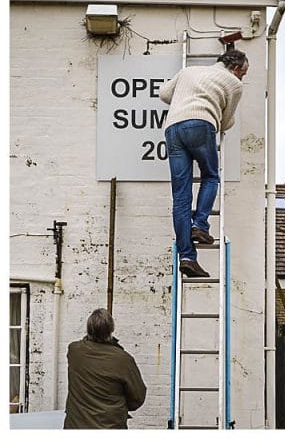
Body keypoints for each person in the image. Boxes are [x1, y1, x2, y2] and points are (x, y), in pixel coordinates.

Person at [160, 49, 248, 277]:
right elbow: (226, 121)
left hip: (173, 128)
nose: (242, 78)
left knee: (180, 196)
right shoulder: (234, 85)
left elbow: (164, 94)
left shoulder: (188, 71)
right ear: (236, 68)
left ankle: (188, 257)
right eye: (244, 73)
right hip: (201, 124)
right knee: (210, 175)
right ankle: (200, 224)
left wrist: (184, 97)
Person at [64, 308, 146, 429]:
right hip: (110, 426)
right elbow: (138, 398)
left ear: (88, 329)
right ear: (111, 330)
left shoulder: (74, 351)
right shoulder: (123, 359)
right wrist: (117, 406)